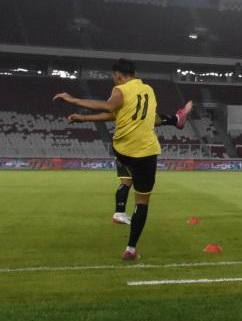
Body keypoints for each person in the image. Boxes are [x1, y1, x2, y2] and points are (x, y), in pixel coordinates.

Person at [55, 59, 162, 260]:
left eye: (113, 77)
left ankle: (120, 209)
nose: (114, 80)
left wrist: (72, 99)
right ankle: (131, 248)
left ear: (118, 75)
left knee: (125, 174)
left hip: (125, 150)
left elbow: (109, 107)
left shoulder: (120, 90)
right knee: (142, 203)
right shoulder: (148, 89)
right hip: (148, 152)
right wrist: (83, 118)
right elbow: (117, 114)